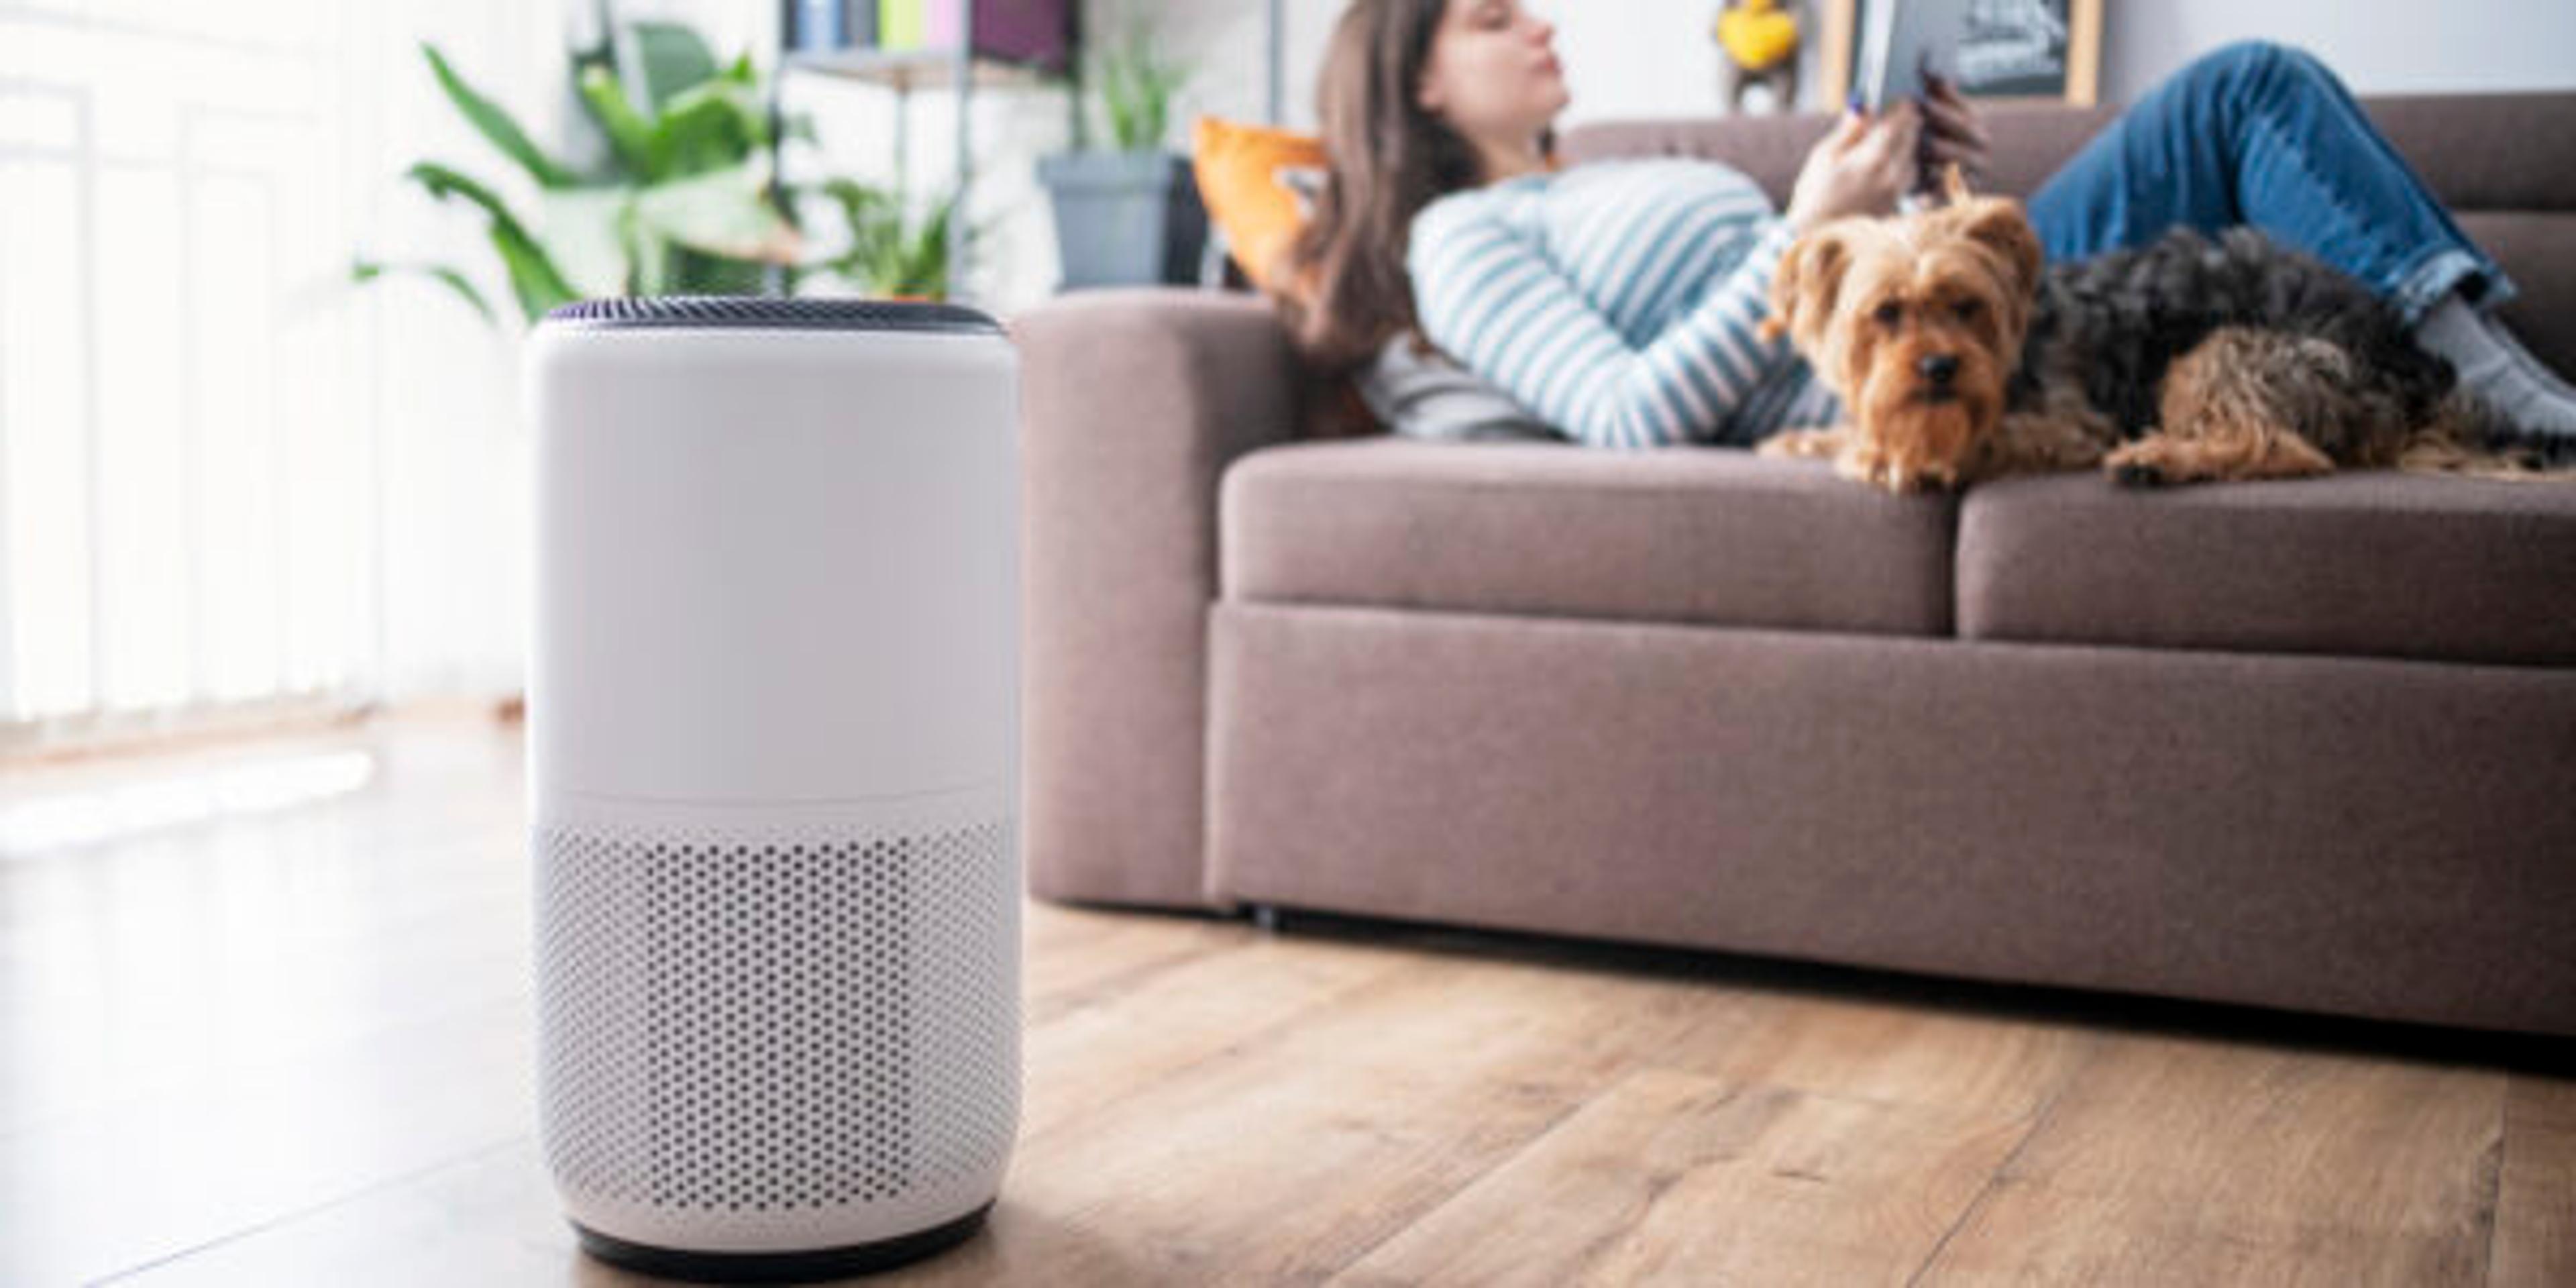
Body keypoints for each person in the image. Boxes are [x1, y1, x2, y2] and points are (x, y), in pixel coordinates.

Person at [1273, 0, 2576, 449]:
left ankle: (2488, 381)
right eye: (1495, 18)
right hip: (1859, 387)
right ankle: (2510, 407)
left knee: (2250, 91)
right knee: (2244, 90)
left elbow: (1866, 275)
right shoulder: (1461, 240)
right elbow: (1626, 418)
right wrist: (1803, 233)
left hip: (1937, 305)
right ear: (1418, 78)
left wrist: (1916, 199)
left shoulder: (1604, 174)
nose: (1542, 23)